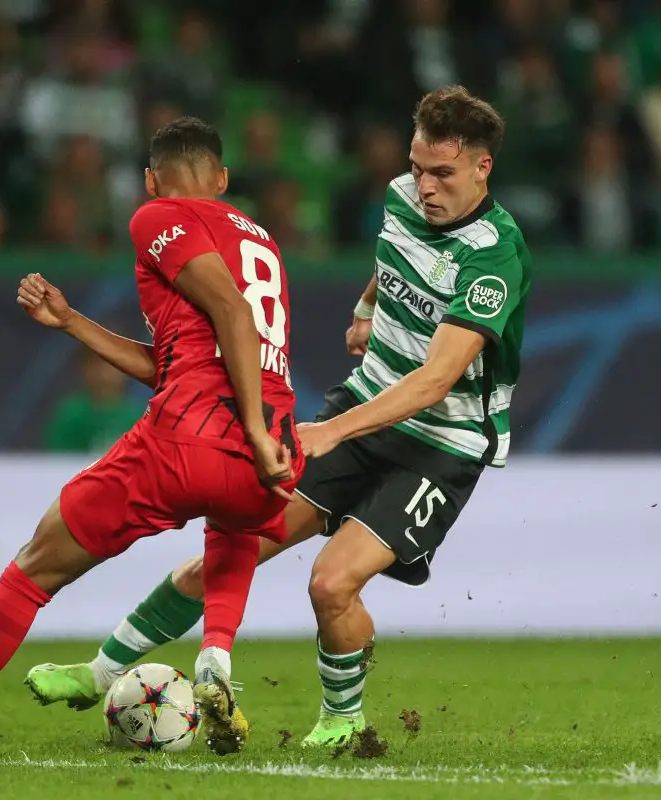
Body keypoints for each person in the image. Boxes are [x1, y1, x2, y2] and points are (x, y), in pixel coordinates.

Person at [27, 86, 533, 748]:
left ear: (481, 168)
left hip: (441, 442)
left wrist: (332, 430)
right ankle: (98, 672)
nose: (425, 185)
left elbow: (437, 379)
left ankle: (344, 716)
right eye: (418, 167)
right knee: (226, 550)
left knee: (331, 584)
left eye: (442, 173)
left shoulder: (495, 253)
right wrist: (364, 307)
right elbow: (397, 261)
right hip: (364, 405)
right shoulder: (401, 197)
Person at [0, 117, 302, 761]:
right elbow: (185, 355)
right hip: (270, 452)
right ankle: (216, 652)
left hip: (191, 433)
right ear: (222, 178)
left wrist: (243, 421)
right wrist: (71, 321)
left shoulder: (156, 216)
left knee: (31, 571)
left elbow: (232, 315)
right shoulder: (262, 242)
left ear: (149, 180)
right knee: (233, 521)